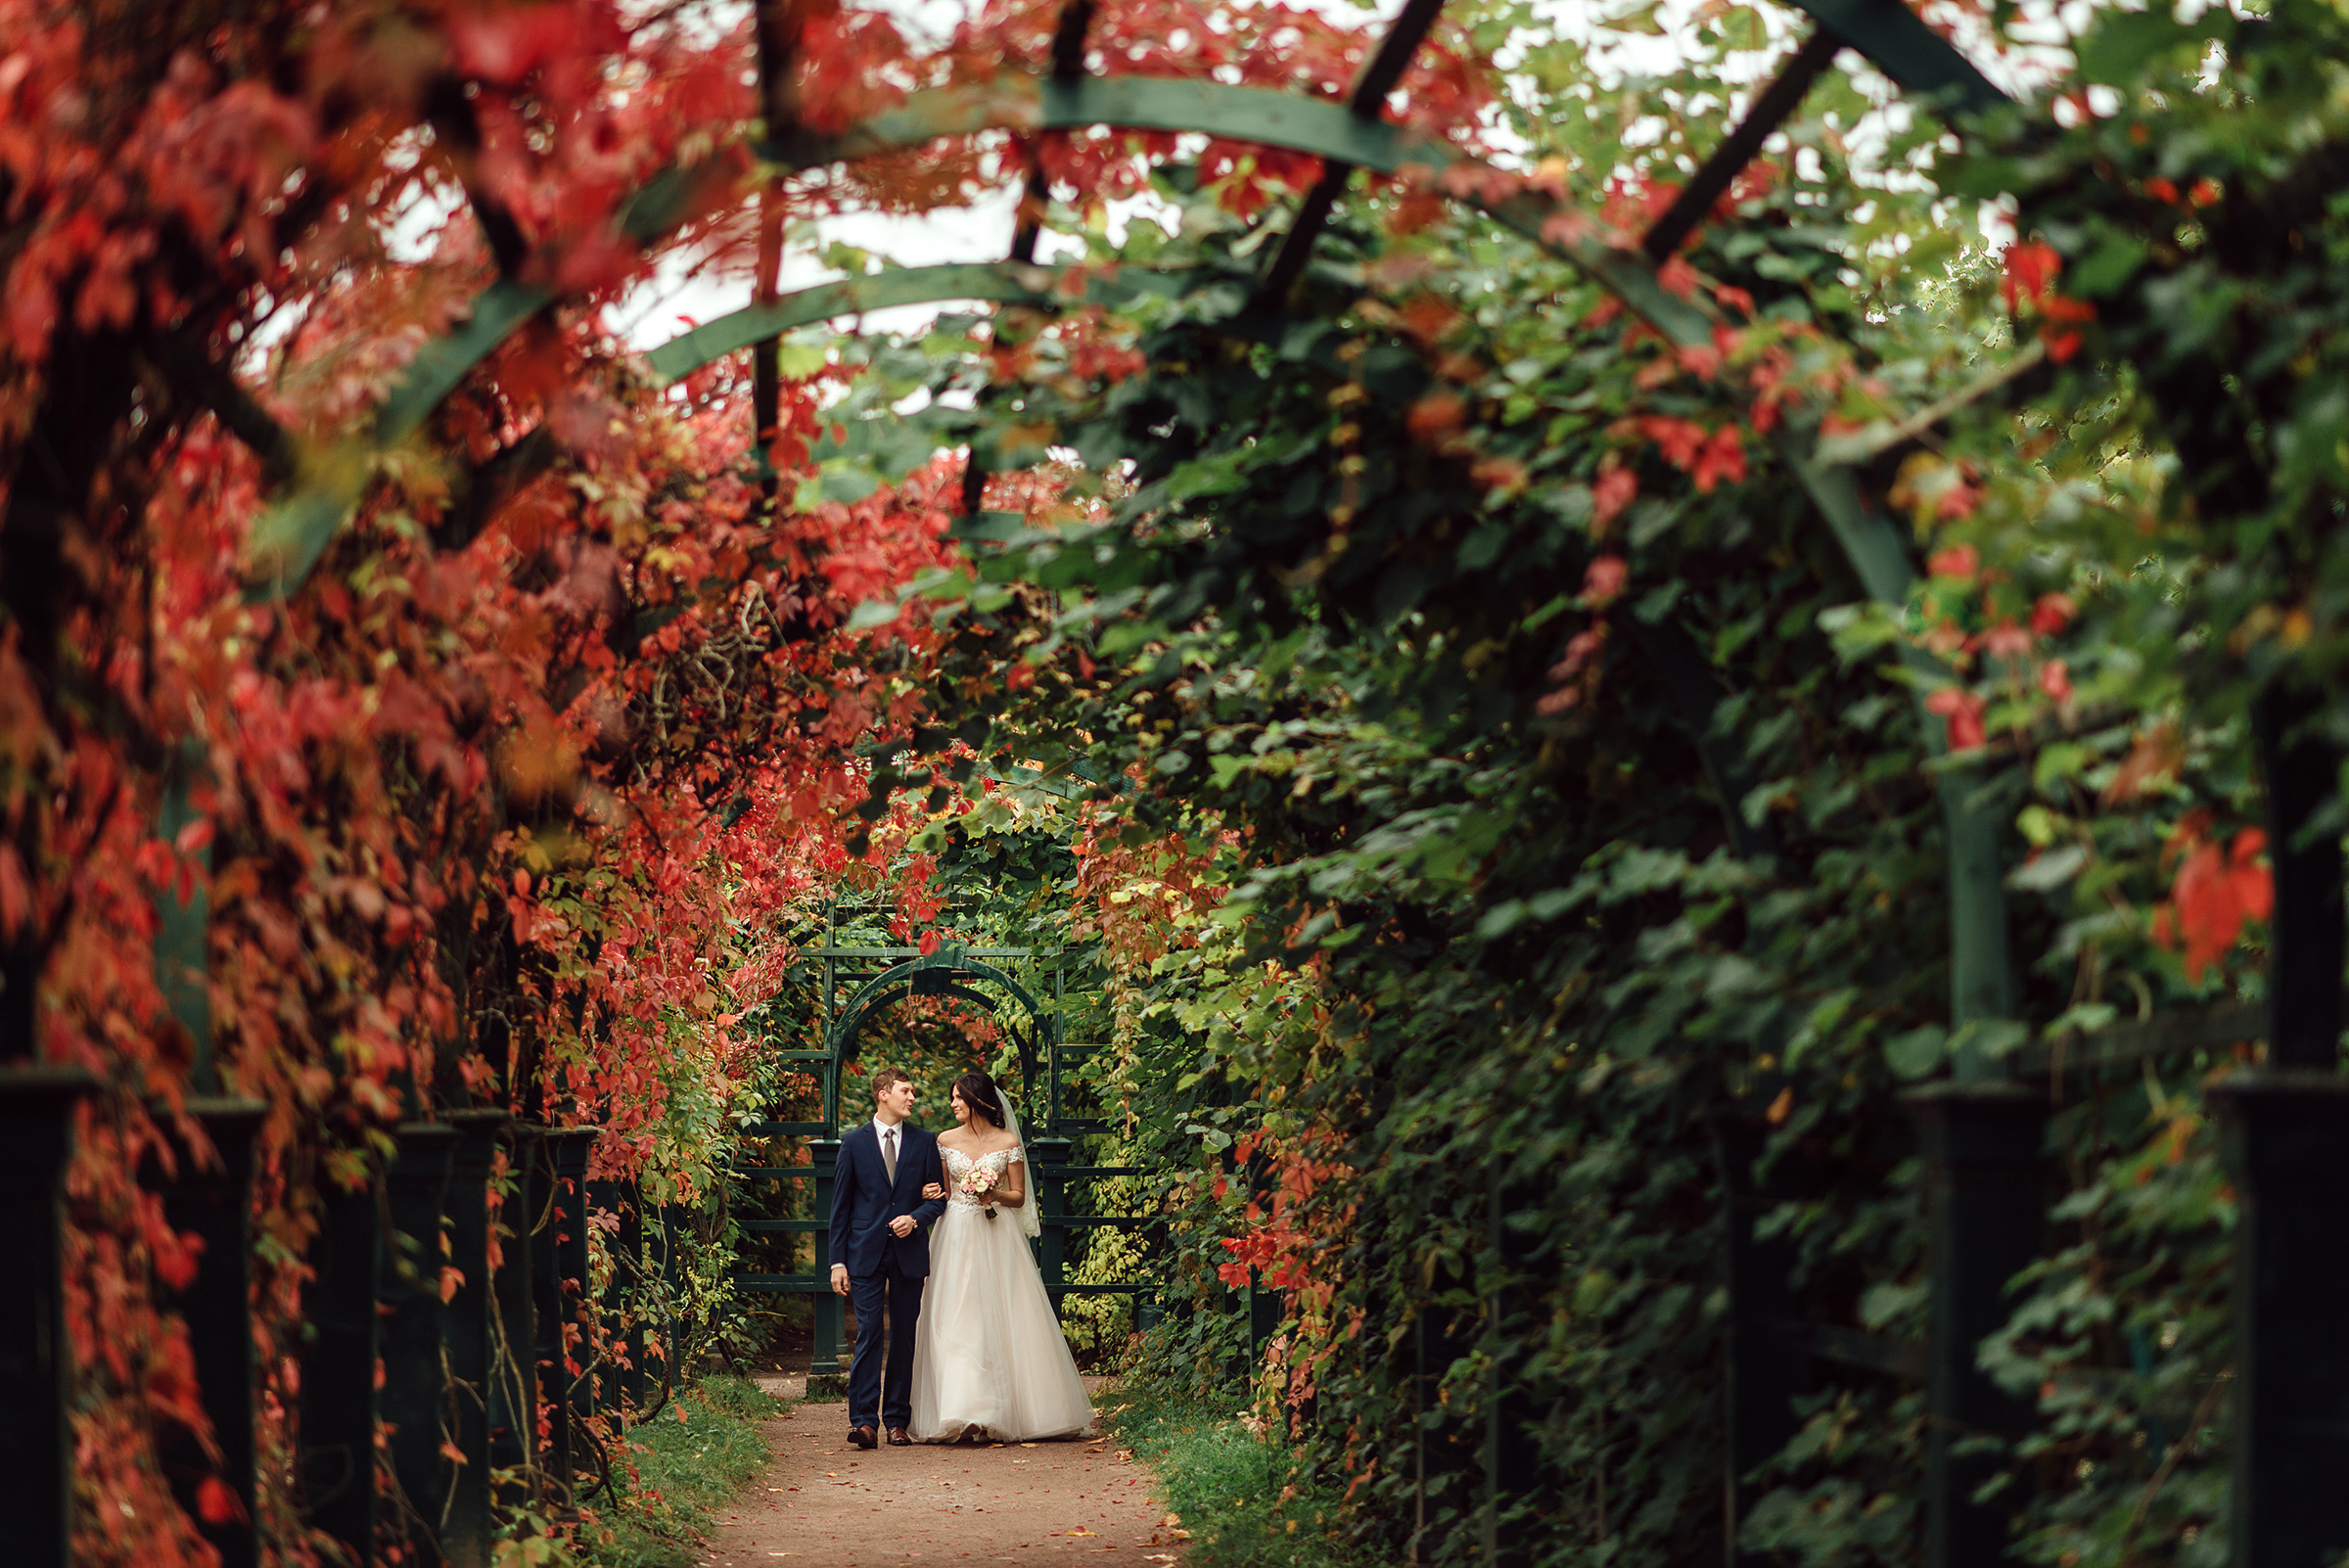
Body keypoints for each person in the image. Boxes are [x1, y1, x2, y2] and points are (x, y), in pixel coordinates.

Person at [905, 1069, 1095, 1443]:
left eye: (959, 1097)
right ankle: (963, 1411)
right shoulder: (943, 1140)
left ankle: (1014, 1411)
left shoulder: (1008, 1141)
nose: (953, 1104)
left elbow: (1020, 1196)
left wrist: (993, 1194)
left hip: (997, 1233)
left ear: (977, 1100)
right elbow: (942, 1192)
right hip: (956, 1233)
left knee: (1007, 1313)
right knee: (958, 1315)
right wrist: (930, 1192)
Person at [828, 1065, 947, 1450]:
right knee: (869, 1334)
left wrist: (915, 1218)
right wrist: (837, 1262)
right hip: (863, 1253)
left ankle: (897, 1420)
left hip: (909, 1252)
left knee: (904, 1337)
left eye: (912, 1092)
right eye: (906, 1091)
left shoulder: (925, 1141)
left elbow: (937, 1200)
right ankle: (864, 1423)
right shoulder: (853, 1143)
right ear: (883, 1094)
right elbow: (840, 1208)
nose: (912, 1097)